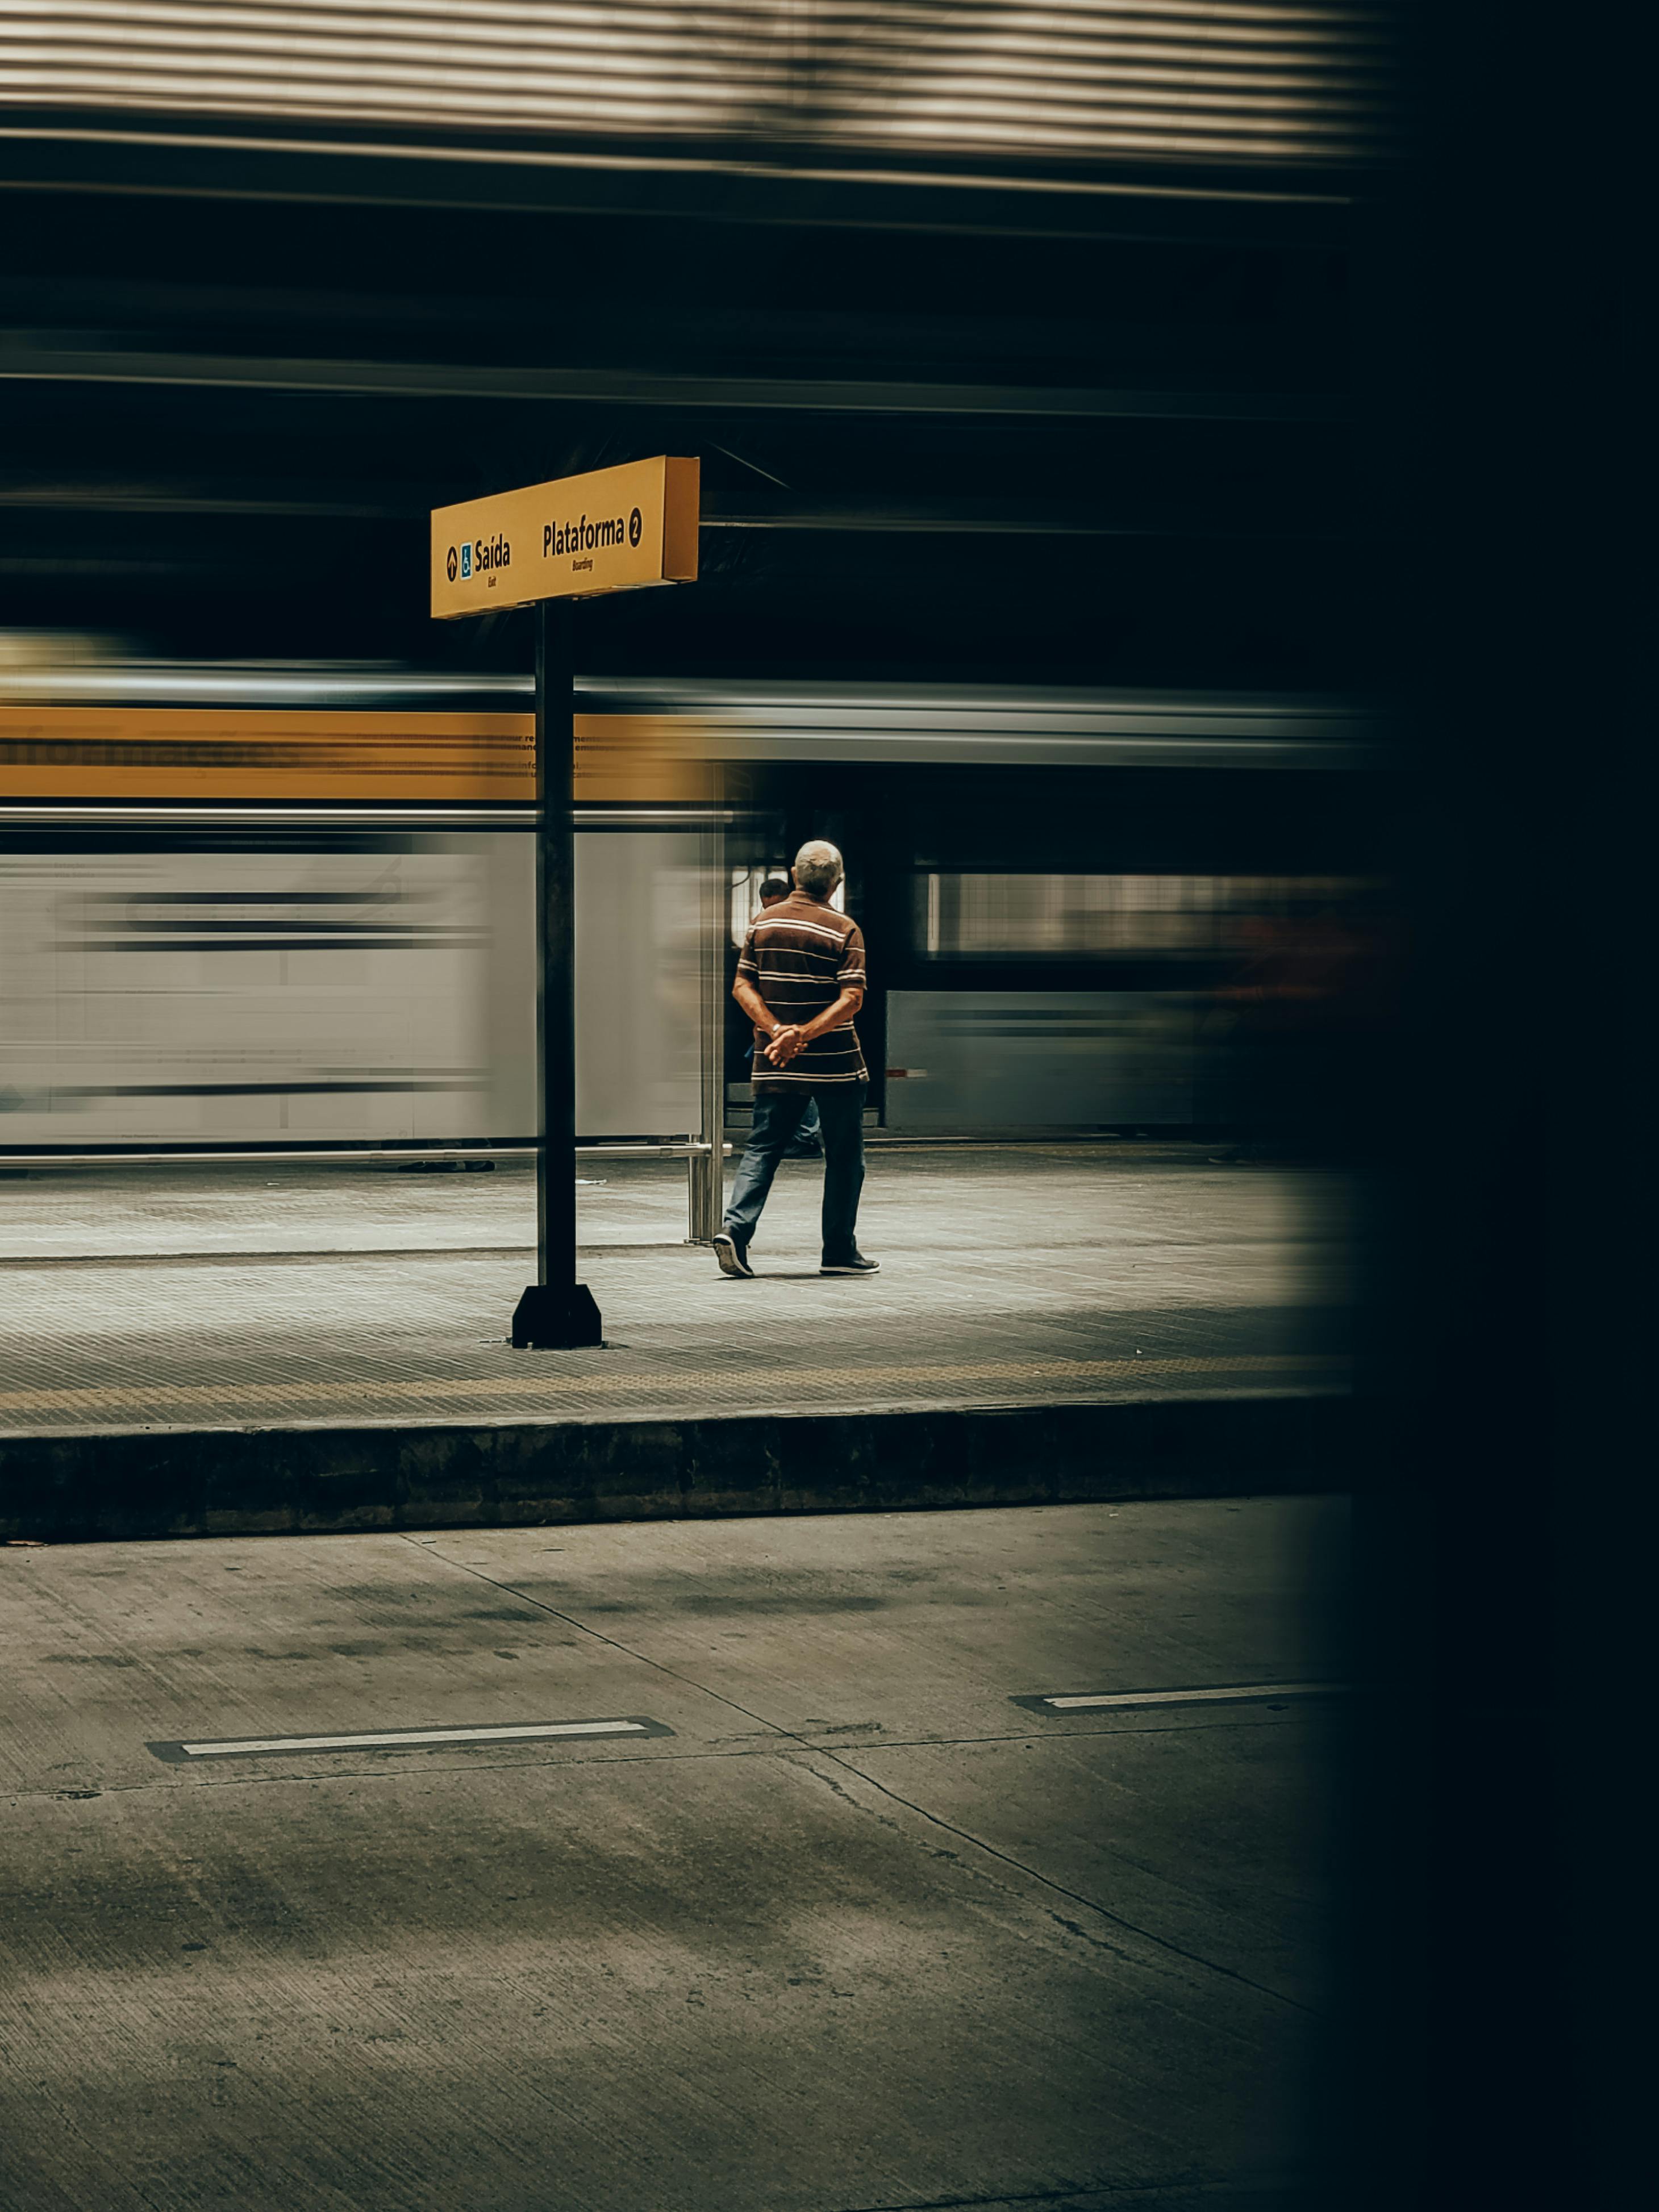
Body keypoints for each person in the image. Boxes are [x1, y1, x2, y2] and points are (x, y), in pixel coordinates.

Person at [714, 840, 878, 1278]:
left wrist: (777, 1033)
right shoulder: (845, 930)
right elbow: (852, 999)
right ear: (836, 883)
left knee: (764, 1147)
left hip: (775, 1059)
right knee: (844, 1157)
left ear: (793, 875)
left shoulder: (761, 925)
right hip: (837, 1063)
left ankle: (736, 1230)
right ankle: (839, 1251)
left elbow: (742, 988)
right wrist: (803, 1034)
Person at [757, 874, 822, 1159]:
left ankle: (805, 1135)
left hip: (801, 1018)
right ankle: (798, 1133)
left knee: (799, 1078)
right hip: (774, 1019)